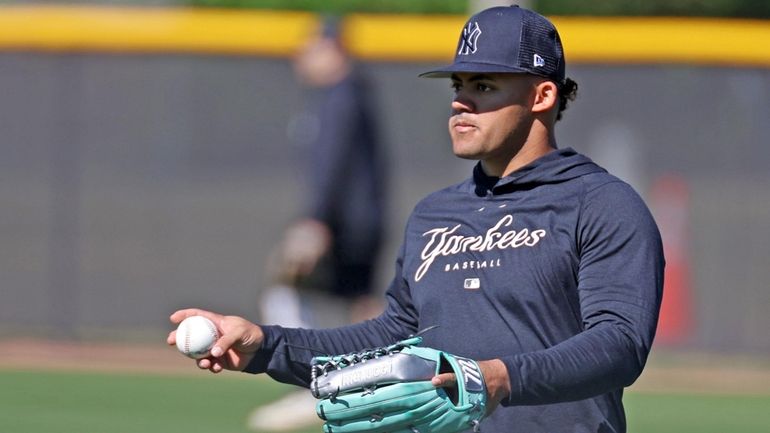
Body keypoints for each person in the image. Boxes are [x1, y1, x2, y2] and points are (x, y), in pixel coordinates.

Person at [168, 6, 664, 433]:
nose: (459, 101)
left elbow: (619, 344)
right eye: (458, 84)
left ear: (542, 97)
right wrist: (265, 345)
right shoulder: (435, 215)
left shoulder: (602, 205)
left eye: (484, 85)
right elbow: (392, 336)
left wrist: (498, 377)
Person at [250, 18, 388, 430]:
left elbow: (333, 165)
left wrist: (316, 221)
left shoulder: (342, 96)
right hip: (358, 220)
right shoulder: (350, 93)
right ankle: (364, 384)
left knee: (284, 287)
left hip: (341, 223)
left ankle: (316, 380)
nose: (303, 58)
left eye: (311, 49)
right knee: (363, 307)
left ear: (334, 50)